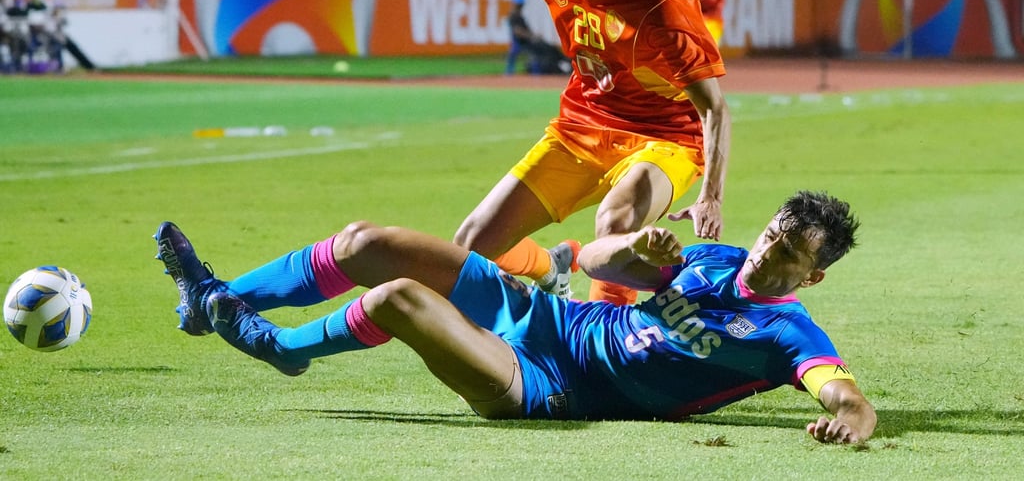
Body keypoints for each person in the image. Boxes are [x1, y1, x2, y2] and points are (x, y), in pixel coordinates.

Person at [153, 190, 875, 444]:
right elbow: (597, 261)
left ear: (811, 275)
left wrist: (852, 421)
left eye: (787, 254)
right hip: (548, 319)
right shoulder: (714, 259)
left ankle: (284, 347)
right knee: (365, 242)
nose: (766, 254)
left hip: (550, 387)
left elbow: (846, 396)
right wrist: (637, 248)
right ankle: (214, 297)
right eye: (771, 236)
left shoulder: (787, 335)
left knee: (397, 298)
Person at [434, 0, 731, 306]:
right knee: (471, 246)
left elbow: (714, 108)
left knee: (615, 227)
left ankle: (604, 339)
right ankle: (550, 268)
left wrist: (711, 197)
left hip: (664, 139)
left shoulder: (661, 5)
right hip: (582, 128)